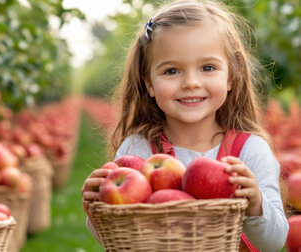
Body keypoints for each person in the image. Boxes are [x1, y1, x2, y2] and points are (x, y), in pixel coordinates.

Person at [81, 0, 289, 251]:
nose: (191, 82)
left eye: (207, 67)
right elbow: (121, 239)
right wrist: (97, 209)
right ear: (149, 83)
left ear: (231, 77)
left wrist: (256, 203)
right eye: (171, 71)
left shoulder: (249, 152)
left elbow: (274, 244)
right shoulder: (139, 149)